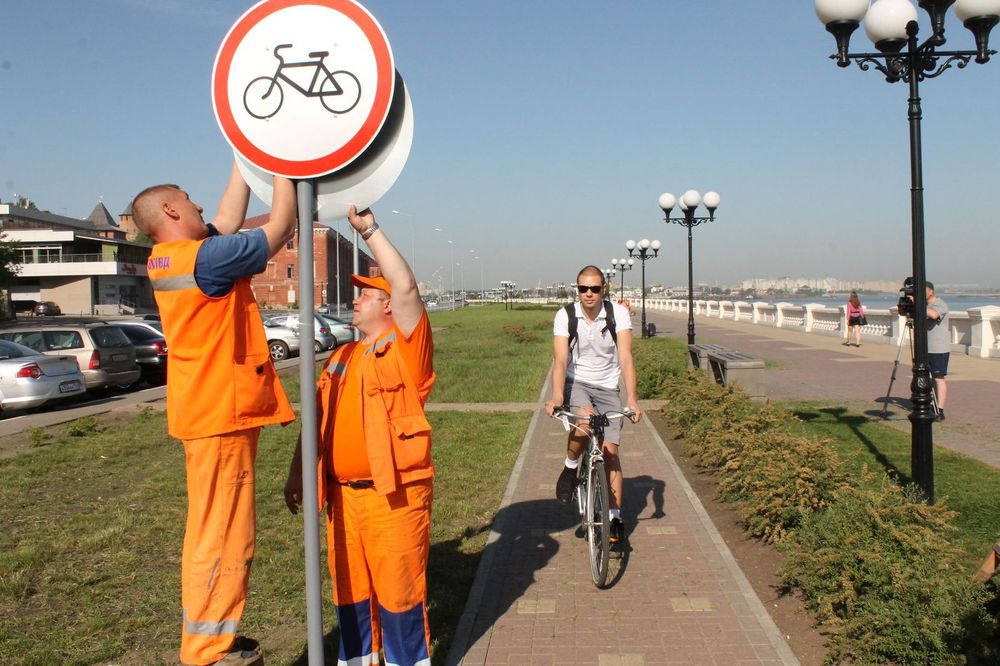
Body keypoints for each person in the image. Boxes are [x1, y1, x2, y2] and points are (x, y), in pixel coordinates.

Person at [131, 163, 297, 666]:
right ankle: (207, 648)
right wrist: (289, 163)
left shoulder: (174, 258)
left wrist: (244, 158)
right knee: (224, 533)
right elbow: (281, 228)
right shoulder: (206, 260)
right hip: (221, 413)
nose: (202, 205)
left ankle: (207, 641)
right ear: (170, 209)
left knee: (214, 527)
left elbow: (226, 215)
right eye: (190, 198)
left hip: (206, 411)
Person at [284, 207, 434, 666]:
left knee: (399, 600)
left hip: (394, 500)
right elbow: (317, 421)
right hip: (342, 501)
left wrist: (368, 230)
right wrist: (297, 474)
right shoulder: (340, 357)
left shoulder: (406, 352)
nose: (356, 300)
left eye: (366, 294)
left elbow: (406, 286)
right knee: (350, 598)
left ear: (388, 306)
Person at [544, 265, 641, 544]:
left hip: (608, 387)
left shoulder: (617, 314)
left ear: (603, 290)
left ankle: (613, 516)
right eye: (583, 288)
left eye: (595, 289)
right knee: (585, 423)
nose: (589, 294)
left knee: (610, 452)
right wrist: (557, 396)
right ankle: (570, 466)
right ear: (577, 290)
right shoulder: (565, 315)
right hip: (578, 384)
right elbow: (560, 359)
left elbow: (625, 357)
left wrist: (632, 398)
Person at [926, 281, 950, 421]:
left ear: (931, 292)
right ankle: (930, 404)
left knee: (938, 378)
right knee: (926, 377)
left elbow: (934, 315)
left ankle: (939, 410)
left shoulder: (940, 304)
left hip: (938, 348)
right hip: (924, 347)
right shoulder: (924, 306)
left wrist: (917, 306)